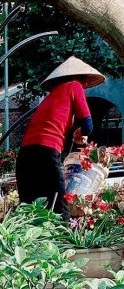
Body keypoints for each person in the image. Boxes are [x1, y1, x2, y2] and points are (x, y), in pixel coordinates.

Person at [16, 56, 104, 220]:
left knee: (29, 205)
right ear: (83, 79)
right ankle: (65, 242)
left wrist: (76, 132)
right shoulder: (74, 85)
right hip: (46, 151)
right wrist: (82, 132)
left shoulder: (51, 97)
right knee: (58, 202)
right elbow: (88, 125)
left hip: (25, 154)